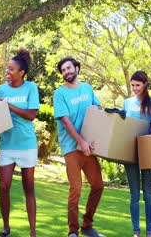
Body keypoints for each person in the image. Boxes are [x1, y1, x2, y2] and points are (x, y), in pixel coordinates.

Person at [53, 57, 105, 237]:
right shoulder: (59, 94)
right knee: (76, 188)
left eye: (68, 68)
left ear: (76, 68)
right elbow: (66, 122)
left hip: (89, 147)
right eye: (63, 70)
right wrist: (81, 142)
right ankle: (72, 230)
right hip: (72, 147)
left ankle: (87, 225)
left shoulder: (87, 89)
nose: (66, 72)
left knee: (98, 185)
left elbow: (97, 110)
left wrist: (94, 140)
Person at [0, 49, 40, 237]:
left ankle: (32, 232)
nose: (8, 72)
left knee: (28, 188)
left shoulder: (31, 88)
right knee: (4, 187)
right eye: (7, 69)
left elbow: (31, 115)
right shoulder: (1, 90)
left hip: (27, 145)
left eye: (11, 69)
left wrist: (9, 105)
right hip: (6, 144)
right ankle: (5, 228)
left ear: (21, 72)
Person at [122, 71, 151, 237]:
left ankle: (149, 231)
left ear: (145, 84)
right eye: (132, 85)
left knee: (147, 194)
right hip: (129, 152)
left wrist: (148, 142)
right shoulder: (127, 103)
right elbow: (123, 125)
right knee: (133, 195)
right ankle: (136, 231)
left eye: (137, 85)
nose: (134, 88)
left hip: (147, 151)